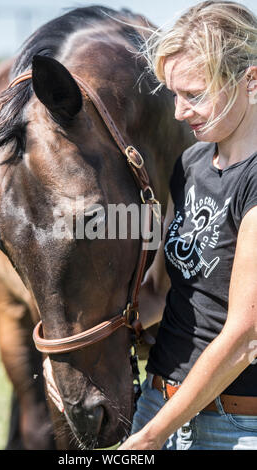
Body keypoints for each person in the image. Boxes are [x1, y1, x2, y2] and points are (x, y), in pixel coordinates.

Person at [119, 0, 257, 450]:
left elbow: (245, 336)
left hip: (231, 427)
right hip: (157, 406)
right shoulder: (192, 163)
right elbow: (166, 293)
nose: (179, 112)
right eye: (174, 95)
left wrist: (151, 438)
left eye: (195, 94)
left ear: (251, 80)